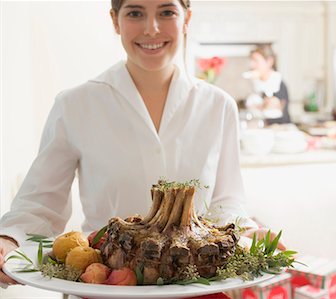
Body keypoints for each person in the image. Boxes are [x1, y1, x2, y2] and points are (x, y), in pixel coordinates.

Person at [0, 0, 285, 289]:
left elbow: (226, 202)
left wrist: (248, 232)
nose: (152, 28)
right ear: (115, 20)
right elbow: (41, 201)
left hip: (197, 288)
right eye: (135, 13)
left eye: (166, 12)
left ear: (186, 18)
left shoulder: (218, 106)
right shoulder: (75, 105)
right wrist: (10, 239)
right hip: (105, 286)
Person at [245, 44, 291, 125]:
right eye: (251, 60)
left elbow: (276, 110)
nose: (251, 65)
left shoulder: (278, 84)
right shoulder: (255, 83)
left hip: (280, 130)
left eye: (256, 60)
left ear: (269, 61)